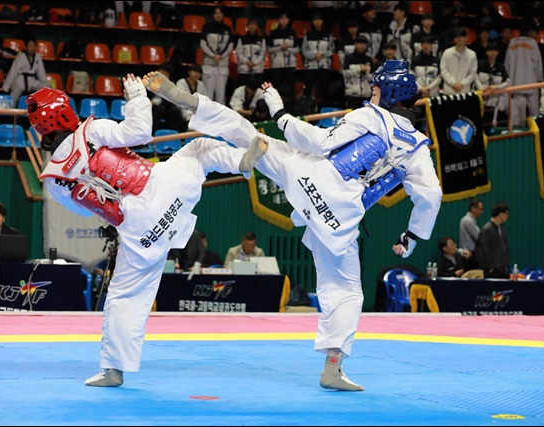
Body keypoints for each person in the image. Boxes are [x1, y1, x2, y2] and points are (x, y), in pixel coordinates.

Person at [141, 58, 442, 391]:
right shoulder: (418, 146)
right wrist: (412, 235)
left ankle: (189, 101)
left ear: (388, 92)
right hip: (339, 218)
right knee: (346, 292)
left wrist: (281, 113)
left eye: (375, 88)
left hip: (307, 179)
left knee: (247, 132)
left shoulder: (370, 115)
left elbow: (320, 142)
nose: (370, 93)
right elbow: (431, 195)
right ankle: (332, 368)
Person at [25, 75, 267, 387]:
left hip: (139, 231)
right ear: (64, 113)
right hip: (164, 190)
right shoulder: (91, 131)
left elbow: (82, 210)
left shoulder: (53, 179)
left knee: (124, 297)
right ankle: (241, 162)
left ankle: (113, 369)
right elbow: (140, 131)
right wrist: (137, 96)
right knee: (200, 149)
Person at [504, 22, 543, 127]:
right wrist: (540, 80)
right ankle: (536, 130)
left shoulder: (512, 42)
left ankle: (522, 132)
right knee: (534, 112)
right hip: (531, 82)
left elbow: (507, 64)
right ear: (528, 31)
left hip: (516, 82)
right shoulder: (533, 43)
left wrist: (508, 80)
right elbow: (538, 63)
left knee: (520, 115)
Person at [2, 37, 50, 107]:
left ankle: (45, 108)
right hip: (20, 80)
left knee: (45, 89)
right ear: (26, 47)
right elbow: (13, 71)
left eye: (34, 46)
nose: (32, 48)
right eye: (30, 46)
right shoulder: (21, 56)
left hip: (32, 80)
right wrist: (6, 86)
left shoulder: (37, 56)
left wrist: (48, 86)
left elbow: (41, 73)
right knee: (14, 95)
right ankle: (8, 110)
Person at [200, 6, 234, 105]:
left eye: (220, 13)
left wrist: (221, 56)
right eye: (216, 13)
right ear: (213, 15)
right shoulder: (206, 27)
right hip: (209, 63)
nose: (218, 15)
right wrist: (213, 55)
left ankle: (221, 114)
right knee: (208, 94)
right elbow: (203, 44)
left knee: (221, 94)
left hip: (222, 64)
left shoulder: (227, 28)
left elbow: (230, 45)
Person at [301, 12, 335, 107]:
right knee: (308, 88)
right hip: (310, 66)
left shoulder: (328, 34)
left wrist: (323, 54)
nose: (317, 22)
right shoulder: (308, 35)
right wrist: (314, 55)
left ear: (322, 21)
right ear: (312, 22)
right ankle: (306, 109)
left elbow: (332, 49)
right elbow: (304, 49)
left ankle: (325, 109)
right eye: (315, 20)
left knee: (324, 88)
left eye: (319, 20)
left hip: (324, 65)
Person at [475, 42, 510, 132]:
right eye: (490, 51)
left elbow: (508, 81)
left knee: (488, 124)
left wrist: (497, 87)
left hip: (492, 100)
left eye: (495, 51)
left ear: (498, 52)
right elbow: (474, 77)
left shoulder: (501, 67)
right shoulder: (480, 64)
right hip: (479, 98)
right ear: (486, 52)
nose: (492, 53)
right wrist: (481, 88)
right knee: (476, 122)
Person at [475, 202, 511, 279]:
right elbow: (483, 251)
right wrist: (489, 268)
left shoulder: (502, 229)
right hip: (493, 271)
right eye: (507, 213)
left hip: (503, 269)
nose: (508, 215)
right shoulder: (486, 230)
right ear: (501, 214)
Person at [440, 27, 478, 96]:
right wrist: (453, 84)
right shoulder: (447, 52)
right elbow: (444, 71)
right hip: (448, 91)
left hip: (464, 91)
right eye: (456, 37)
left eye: (461, 36)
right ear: (454, 39)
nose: (459, 39)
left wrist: (462, 84)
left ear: (466, 38)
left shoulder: (472, 54)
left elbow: (472, 73)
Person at [149, 63, 185, 133]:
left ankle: (175, 135)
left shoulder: (172, 85)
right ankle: (152, 133)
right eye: (161, 72)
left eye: (165, 73)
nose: (163, 75)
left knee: (175, 111)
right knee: (160, 109)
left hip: (168, 107)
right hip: (155, 107)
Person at [342, 35, 373, 110]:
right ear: (355, 44)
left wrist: (366, 72)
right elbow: (345, 74)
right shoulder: (348, 58)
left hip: (366, 93)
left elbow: (372, 78)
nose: (362, 46)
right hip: (352, 93)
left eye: (364, 44)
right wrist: (359, 69)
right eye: (360, 43)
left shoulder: (369, 59)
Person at [234, 17, 266, 88]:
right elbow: (239, 53)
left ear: (256, 26)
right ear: (247, 26)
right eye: (250, 24)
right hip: (244, 70)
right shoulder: (241, 39)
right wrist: (247, 62)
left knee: (258, 91)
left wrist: (255, 62)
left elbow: (262, 54)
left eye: (254, 24)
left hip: (257, 70)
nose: (252, 26)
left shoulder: (261, 39)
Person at [176, 64, 209, 129]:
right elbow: (181, 98)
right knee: (189, 116)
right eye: (194, 72)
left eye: (199, 73)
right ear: (189, 72)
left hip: (198, 108)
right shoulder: (181, 82)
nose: (197, 74)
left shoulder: (201, 84)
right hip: (184, 107)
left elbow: (206, 98)